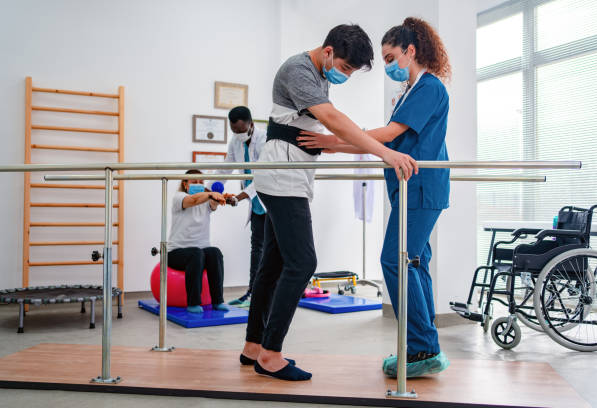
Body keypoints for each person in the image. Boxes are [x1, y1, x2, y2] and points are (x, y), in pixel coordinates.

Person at [241, 24, 418, 381]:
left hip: (291, 173)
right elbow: (334, 120)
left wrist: (334, 144)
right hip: (282, 175)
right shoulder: (299, 70)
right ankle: (271, 355)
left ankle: (253, 347)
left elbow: (326, 129)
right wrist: (383, 152)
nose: (346, 76)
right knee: (303, 262)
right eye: (346, 68)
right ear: (328, 53)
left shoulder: (318, 73)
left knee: (273, 264)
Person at [297, 17, 451, 378]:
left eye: (390, 56)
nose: (388, 66)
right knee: (414, 263)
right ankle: (424, 347)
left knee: (394, 262)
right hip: (411, 188)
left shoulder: (429, 87)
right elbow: (383, 141)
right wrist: (337, 147)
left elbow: (390, 133)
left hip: (422, 187)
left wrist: (336, 140)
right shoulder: (409, 93)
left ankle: (423, 348)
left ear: (410, 51)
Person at [208, 106, 267, 308]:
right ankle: (253, 293)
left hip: (273, 201)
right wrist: (209, 189)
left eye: (241, 131)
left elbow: (263, 177)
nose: (238, 135)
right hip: (257, 205)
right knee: (257, 248)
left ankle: (269, 294)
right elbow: (226, 166)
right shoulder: (235, 142)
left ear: (251, 124)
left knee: (275, 251)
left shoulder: (265, 139)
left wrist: (239, 197)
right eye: (234, 131)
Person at [167, 170, 231, 313]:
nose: (198, 184)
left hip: (199, 252)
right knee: (196, 254)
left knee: (214, 252)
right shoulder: (179, 197)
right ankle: (193, 303)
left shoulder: (206, 200)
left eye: (201, 182)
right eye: (194, 182)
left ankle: (218, 301)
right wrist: (210, 194)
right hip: (175, 253)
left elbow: (213, 205)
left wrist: (218, 198)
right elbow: (194, 200)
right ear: (185, 184)